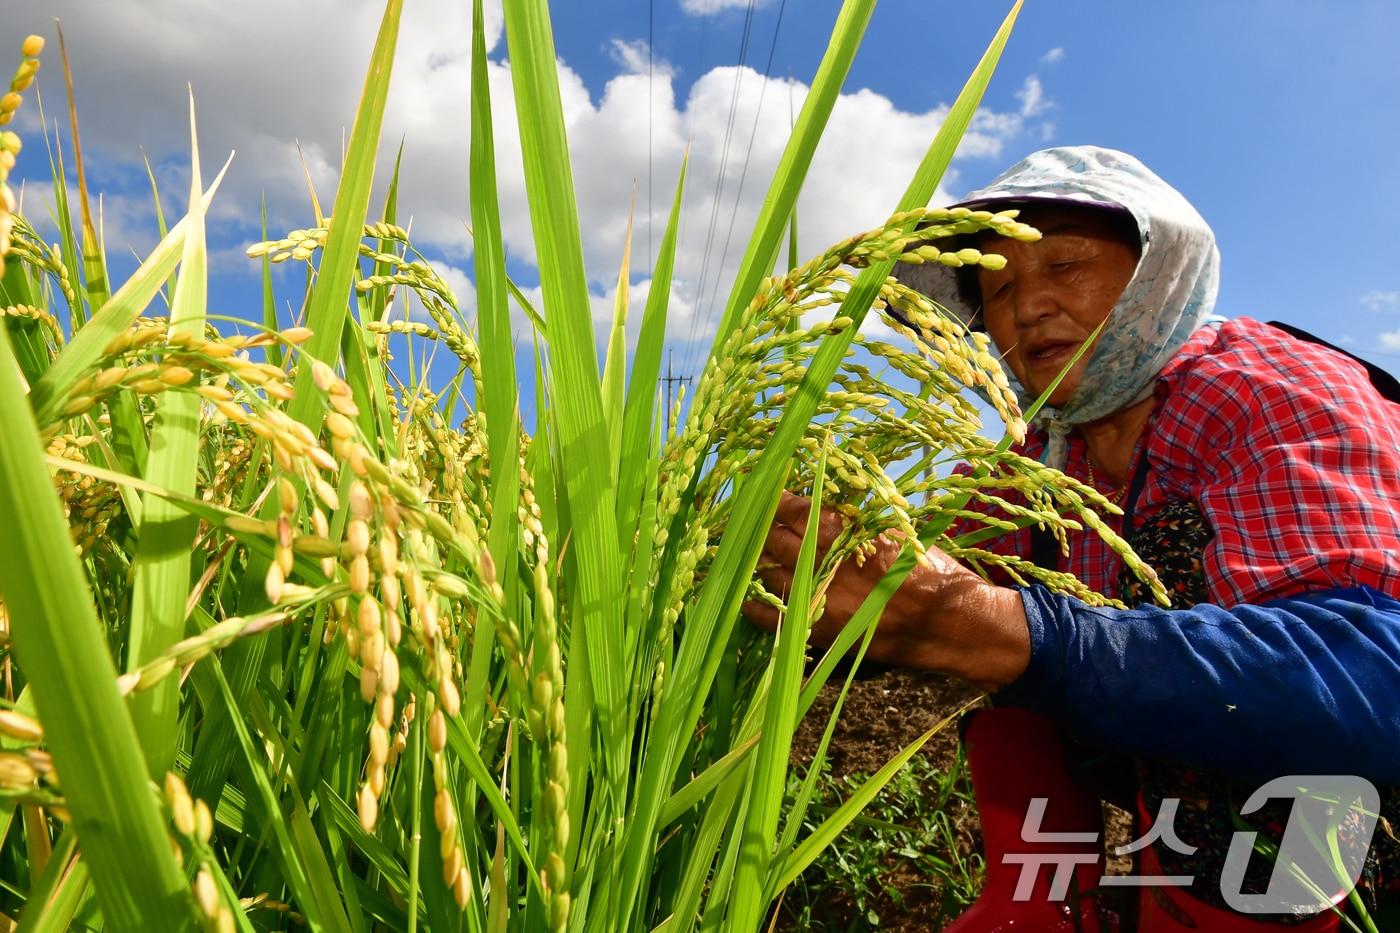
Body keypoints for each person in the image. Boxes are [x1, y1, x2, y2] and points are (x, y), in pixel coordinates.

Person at [744, 146, 1400, 931]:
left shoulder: (1266, 392)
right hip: (1172, 787)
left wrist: (995, 628)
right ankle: (1038, 902)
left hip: (1356, 811)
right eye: (999, 288)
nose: (1028, 309)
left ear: (1160, 268)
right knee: (996, 595)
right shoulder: (1032, 460)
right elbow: (896, 588)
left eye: (1066, 264)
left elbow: (1373, 672)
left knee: (1024, 622)